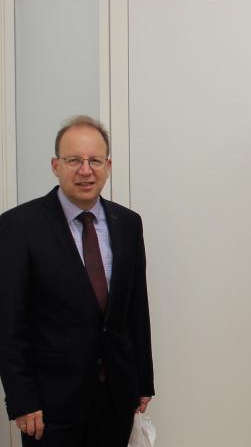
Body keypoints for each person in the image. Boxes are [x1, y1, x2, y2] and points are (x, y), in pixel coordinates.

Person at [0, 115, 155, 446]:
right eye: (74, 160)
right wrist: (22, 399)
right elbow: (9, 323)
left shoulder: (128, 224)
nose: (86, 170)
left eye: (94, 160)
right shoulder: (19, 227)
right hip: (50, 406)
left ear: (108, 165)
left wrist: (143, 381)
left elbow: (136, 308)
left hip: (116, 399)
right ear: (56, 165)